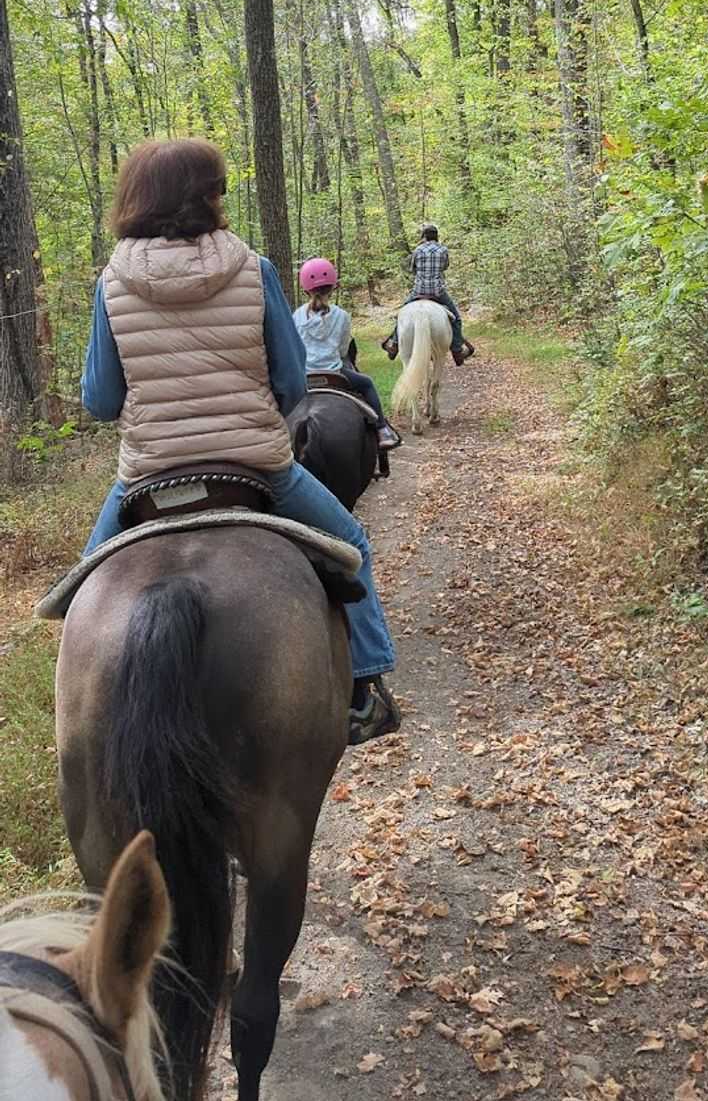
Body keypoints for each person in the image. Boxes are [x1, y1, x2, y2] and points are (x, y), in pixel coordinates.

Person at [79, 137, 399, 746]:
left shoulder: (111, 283)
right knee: (351, 544)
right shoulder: (254, 268)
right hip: (256, 466)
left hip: (148, 473)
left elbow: (98, 401)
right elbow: (289, 380)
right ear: (206, 198)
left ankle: (86, 722)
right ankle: (364, 690)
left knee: (75, 597)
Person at [293, 259, 401, 451]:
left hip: (304, 376)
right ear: (333, 288)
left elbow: (296, 347)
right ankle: (382, 429)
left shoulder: (297, 315)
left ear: (305, 290)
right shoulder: (342, 316)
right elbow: (344, 351)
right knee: (366, 383)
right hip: (334, 374)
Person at [382, 223, 475, 364]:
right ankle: (457, 351)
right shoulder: (443, 249)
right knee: (456, 318)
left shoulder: (418, 250)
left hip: (419, 291)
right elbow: (445, 266)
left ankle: (394, 344)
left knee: (402, 314)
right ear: (436, 236)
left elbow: (412, 269)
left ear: (424, 236)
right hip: (438, 292)